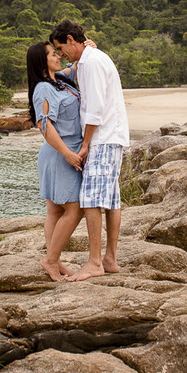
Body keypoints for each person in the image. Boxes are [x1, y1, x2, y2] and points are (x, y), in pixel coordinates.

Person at [50, 19, 129, 280]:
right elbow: (65, 73)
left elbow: (94, 110)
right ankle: (110, 259)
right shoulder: (87, 60)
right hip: (111, 136)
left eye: (61, 48)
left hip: (103, 138)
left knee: (92, 199)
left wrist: (85, 145)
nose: (61, 55)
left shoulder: (92, 62)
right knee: (111, 199)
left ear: (71, 40)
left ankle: (95, 262)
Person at [25, 41, 84, 282]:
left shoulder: (59, 79)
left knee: (55, 210)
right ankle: (50, 260)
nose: (58, 56)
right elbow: (44, 125)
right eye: (53, 54)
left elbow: (77, 65)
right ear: (42, 61)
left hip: (63, 153)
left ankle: (54, 261)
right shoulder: (43, 89)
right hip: (60, 154)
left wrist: (87, 46)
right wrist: (67, 153)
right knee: (75, 208)